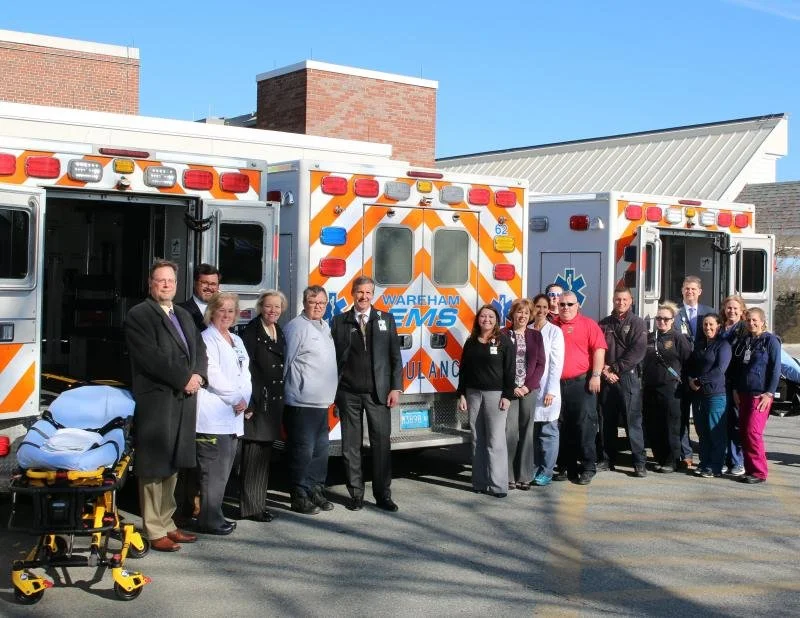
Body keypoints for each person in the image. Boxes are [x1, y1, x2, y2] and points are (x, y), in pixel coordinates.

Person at [124, 259, 207, 552]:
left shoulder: (183, 314)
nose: (166, 285)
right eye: (160, 280)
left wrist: (198, 374)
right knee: (153, 465)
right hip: (157, 399)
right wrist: (185, 378)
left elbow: (199, 348)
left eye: (170, 281)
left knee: (173, 463)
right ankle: (153, 528)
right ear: (151, 283)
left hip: (183, 399)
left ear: (176, 283)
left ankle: (168, 523)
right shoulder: (139, 315)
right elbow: (151, 357)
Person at [331, 276, 403, 512]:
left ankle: (383, 495)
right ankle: (356, 495)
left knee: (381, 445)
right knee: (350, 446)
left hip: (378, 394)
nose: (363, 297)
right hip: (348, 393)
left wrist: (396, 387)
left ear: (373, 295)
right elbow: (333, 360)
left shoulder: (386, 319)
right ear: (352, 293)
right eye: (359, 292)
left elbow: (395, 358)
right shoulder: (339, 321)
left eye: (368, 293)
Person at [195, 292, 251, 534]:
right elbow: (213, 374)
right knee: (213, 474)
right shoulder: (207, 339)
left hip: (233, 415)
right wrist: (235, 399)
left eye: (231, 311)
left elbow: (245, 373)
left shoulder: (236, 340)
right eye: (222, 310)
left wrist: (245, 400)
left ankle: (216, 514)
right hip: (213, 418)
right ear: (212, 312)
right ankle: (209, 519)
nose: (227, 315)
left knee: (224, 472)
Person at [283, 285, 339, 514]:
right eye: (313, 302)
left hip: (321, 403)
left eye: (322, 303)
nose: (318, 307)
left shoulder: (324, 326)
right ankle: (299, 494)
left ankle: (316, 489)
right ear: (304, 303)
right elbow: (286, 362)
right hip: (300, 402)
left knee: (320, 451)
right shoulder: (296, 327)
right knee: (302, 450)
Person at [457, 304, 515, 497]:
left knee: (495, 440)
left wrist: (507, 395)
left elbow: (510, 371)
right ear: (478, 320)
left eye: (490, 316)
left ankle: (498, 486)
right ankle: (479, 482)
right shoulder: (471, 342)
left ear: (496, 320)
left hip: (496, 396)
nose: (487, 320)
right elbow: (463, 370)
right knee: (476, 438)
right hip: (473, 394)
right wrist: (461, 394)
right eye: (483, 316)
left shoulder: (504, 342)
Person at [239, 290, 287, 522]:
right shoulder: (251, 332)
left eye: (277, 307)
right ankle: (251, 507)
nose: (273, 311)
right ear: (260, 307)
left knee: (264, 456)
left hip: (273, 404)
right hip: (258, 403)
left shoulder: (279, 331)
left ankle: (258, 503)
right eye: (269, 306)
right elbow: (246, 370)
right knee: (254, 456)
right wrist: (249, 403)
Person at [553, 291, 607, 485]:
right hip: (557, 385)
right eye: (562, 304)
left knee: (584, 426)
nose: (565, 308)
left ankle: (588, 467)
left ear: (578, 306)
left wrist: (596, 375)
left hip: (581, 383)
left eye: (569, 304)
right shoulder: (552, 326)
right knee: (561, 427)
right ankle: (566, 466)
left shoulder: (589, 325)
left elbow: (599, 350)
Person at [598, 287, 648, 477]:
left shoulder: (638, 323)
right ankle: (607, 459)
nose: (621, 302)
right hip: (606, 377)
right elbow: (596, 348)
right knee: (606, 421)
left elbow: (637, 351)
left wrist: (615, 369)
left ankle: (639, 462)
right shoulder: (603, 324)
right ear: (613, 300)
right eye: (618, 299)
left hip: (627, 377)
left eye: (625, 299)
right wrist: (604, 370)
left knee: (632, 421)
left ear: (631, 300)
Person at [731, 308, 781, 484]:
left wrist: (769, 393)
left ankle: (759, 472)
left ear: (762, 321)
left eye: (755, 320)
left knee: (753, 432)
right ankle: (750, 469)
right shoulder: (746, 341)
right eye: (749, 321)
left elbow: (776, 369)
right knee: (744, 432)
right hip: (743, 392)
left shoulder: (771, 341)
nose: (751, 323)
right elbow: (738, 368)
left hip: (760, 395)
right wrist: (736, 389)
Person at [501, 298, 546, 490]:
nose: (523, 316)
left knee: (527, 433)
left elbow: (540, 364)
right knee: (510, 433)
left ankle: (525, 476)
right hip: (509, 391)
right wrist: (510, 387)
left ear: (530, 316)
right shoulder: (502, 334)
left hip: (528, 390)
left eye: (526, 313)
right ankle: (508, 475)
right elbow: (498, 364)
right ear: (513, 314)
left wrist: (527, 386)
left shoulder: (536, 336)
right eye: (519, 312)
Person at [642, 303, 692, 473]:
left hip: (671, 389)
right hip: (650, 388)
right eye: (659, 318)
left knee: (671, 425)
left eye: (665, 319)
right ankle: (660, 457)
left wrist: (684, 385)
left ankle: (672, 460)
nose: (662, 321)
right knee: (654, 425)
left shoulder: (679, 338)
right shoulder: (650, 338)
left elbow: (688, 363)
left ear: (672, 320)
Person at [676, 275, 716, 470]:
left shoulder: (709, 312)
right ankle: (686, 454)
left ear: (700, 291)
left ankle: (707, 454)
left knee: (702, 419)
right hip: (682, 373)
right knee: (682, 417)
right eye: (686, 288)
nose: (689, 292)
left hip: (702, 375)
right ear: (682, 290)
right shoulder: (674, 313)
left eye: (693, 289)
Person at [686, 314, 731, 478]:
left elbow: (720, 370)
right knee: (702, 431)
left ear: (719, 326)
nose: (708, 328)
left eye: (711, 324)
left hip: (715, 394)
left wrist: (699, 381)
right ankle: (704, 463)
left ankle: (716, 466)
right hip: (698, 396)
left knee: (715, 432)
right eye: (705, 325)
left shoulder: (723, 346)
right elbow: (690, 365)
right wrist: (690, 379)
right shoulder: (698, 345)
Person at [529, 294, 565, 486]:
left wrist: (550, 390)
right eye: (538, 306)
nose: (541, 311)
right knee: (532, 434)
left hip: (547, 389)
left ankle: (547, 471)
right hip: (529, 388)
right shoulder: (525, 329)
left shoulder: (554, 332)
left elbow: (556, 364)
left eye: (545, 307)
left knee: (548, 432)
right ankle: (533, 468)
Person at [719, 295, 748, 476]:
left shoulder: (744, 330)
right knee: (722, 423)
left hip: (736, 383)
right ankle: (723, 460)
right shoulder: (720, 329)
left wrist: (738, 387)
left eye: (736, 308)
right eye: (729, 308)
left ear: (742, 311)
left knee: (736, 424)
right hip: (720, 383)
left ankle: (738, 461)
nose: (732, 311)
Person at [178, 264, 221, 332]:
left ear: (218, 287)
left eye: (213, 284)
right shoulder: (180, 311)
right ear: (195, 284)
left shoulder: (224, 311)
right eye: (205, 283)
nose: (209, 288)